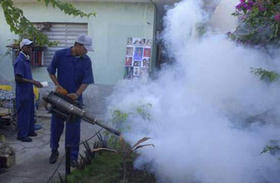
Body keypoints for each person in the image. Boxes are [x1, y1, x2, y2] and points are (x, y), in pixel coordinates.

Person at [47, 35, 94, 167]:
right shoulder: (60, 55)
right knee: (56, 126)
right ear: (78, 45)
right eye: (85, 49)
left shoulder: (86, 60)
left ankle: (72, 156)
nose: (87, 52)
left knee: (73, 129)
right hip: (60, 98)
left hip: (75, 100)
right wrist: (57, 85)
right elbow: (51, 71)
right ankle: (54, 150)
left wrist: (77, 93)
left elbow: (87, 80)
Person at [14, 39, 43, 142]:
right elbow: (18, 78)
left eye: (31, 47)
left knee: (30, 112)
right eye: (28, 47)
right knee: (23, 113)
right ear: (22, 48)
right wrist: (33, 82)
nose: (30, 49)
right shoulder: (20, 60)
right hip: (22, 92)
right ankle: (22, 135)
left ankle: (30, 130)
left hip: (28, 91)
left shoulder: (26, 59)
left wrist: (33, 82)